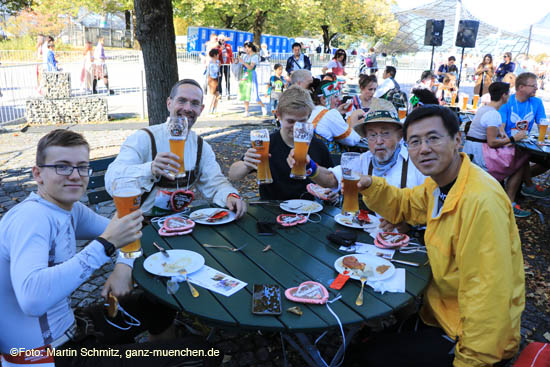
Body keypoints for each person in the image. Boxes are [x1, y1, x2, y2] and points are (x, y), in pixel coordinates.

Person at [0, 129, 222, 367]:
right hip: (45, 357)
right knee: (204, 353)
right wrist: (105, 245)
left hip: (74, 327)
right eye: (62, 167)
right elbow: (32, 300)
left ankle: (159, 349)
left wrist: (123, 267)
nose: (75, 175)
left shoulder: (69, 209)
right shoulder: (31, 217)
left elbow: (129, 235)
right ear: (38, 174)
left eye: (82, 166)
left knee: (160, 303)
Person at [352, 104, 525, 367]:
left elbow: (488, 295)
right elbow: (406, 205)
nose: (424, 148)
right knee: (362, 345)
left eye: (433, 138)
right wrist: (372, 186)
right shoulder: (439, 184)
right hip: (440, 312)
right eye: (415, 141)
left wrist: (471, 360)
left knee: (365, 358)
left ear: (458, 140)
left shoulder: (481, 201)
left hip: (468, 338)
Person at [105, 79, 247, 218]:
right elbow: (112, 179)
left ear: (201, 109)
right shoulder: (144, 138)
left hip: (179, 223)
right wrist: (150, 169)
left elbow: (215, 183)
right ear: (169, 103)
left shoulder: (201, 147)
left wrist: (230, 195)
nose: (187, 108)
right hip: (138, 226)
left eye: (195, 103)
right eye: (182, 100)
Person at [305, 98, 427, 233]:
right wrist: (309, 166)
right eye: (372, 135)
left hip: (404, 246)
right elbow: (331, 179)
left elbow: (430, 211)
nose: (379, 141)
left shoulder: (417, 164)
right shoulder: (363, 160)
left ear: (399, 136)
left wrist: (407, 226)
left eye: (385, 133)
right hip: (364, 240)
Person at [228, 86, 333, 200]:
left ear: (308, 117)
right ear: (278, 116)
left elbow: (332, 181)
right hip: (271, 209)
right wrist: (246, 165)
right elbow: (233, 175)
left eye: (302, 121)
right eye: (290, 121)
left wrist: (332, 192)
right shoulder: (267, 144)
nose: (296, 127)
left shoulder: (318, 146)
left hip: (310, 211)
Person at [463, 82, 531, 217]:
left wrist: (506, 135)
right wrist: (514, 139)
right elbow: (492, 142)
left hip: (471, 150)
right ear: (503, 96)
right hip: (479, 155)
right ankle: (510, 202)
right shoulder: (493, 114)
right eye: (509, 93)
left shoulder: (485, 109)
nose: (510, 96)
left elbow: (496, 132)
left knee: (519, 156)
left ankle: (522, 191)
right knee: (521, 160)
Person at [499, 72, 550, 198]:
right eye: (533, 85)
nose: (537, 88)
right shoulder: (507, 102)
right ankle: (528, 186)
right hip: (508, 143)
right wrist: (510, 141)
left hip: (526, 143)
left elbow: (542, 125)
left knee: (548, 161)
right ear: (521, 87)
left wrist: (546, 137)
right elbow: (501, 130)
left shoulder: (536, 102)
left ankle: (525, 183)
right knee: (522, 156)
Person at [307, 79, 362, 153]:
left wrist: (337, 112)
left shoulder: (313, 110)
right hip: (331, 162)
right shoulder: (330, 114)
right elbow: (352, 140)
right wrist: (353, 120)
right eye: (335, 96)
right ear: (323, 99)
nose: (339, 99)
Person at [238, 41, 268, 117]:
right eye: (245, 48)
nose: (245, 50)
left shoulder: (255, 56)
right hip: (245, 75)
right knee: (245, 93)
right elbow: (241, 64)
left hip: (251, 75)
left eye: (247, 48)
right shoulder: (245, 56)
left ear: (250, 48)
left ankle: (263, 106)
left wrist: (243, 62)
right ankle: (246, 111)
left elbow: (251, 67)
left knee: (254, 94)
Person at [217, 34, 233, 98]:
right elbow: (216, 54)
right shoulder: (217, 47)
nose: (221, 41)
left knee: (227, 79)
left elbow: (231, 54)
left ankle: (228, 92)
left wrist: (232, 62)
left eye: (223, 39)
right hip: (220, 65)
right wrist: (221, 49)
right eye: (220, 40)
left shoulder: (228, 46)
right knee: (219, 79)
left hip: (227, 64)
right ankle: (220, 93)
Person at [206, 48, 221, 115]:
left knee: (217, 95)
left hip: (216, 79)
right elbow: (213, 71)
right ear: (214, 55)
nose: (218, 55)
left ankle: (214, 109)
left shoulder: (218, 62)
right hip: (212, 79)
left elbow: (218, 71)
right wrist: (218, 66)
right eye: (217, 54)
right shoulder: (211, 62)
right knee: (212, 95)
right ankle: (208, 110)